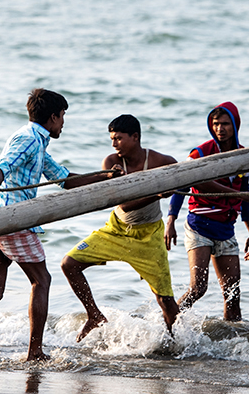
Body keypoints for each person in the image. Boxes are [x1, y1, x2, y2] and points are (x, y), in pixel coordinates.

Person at [0, 88, 118, 363]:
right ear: (52, 117)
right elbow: (3, 165)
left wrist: (105, 177)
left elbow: (64, 180)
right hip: (12, 217)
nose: (63, 124)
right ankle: (35, 352)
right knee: (42, 280)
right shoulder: (28, 140)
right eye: (62, 117)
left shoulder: (38, 142)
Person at [61, 114, 179, 342]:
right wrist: (156, 194)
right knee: (69, 264)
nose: (114, 144)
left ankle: (178, 346)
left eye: (119, 139)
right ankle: (94, 315)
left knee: (165, 300)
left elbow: (189, 179)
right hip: (116, 229)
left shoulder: (160, 161)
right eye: (112, 139)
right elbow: (123, 202)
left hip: (149, 235)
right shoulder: (111, 163)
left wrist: (173, 216)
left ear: (135, 137)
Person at [165, 102, 249, 321]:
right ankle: (168, 324)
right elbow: (181, 186)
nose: (220, 129)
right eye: (215, 124)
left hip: (226, 228)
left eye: (225, 124)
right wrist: (171, 220)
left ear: (235, 125)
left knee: (233, 295)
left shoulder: (243, 156)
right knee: (198, 288)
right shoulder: (201, 153)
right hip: (199, 226)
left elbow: (244, 196)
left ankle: (234, 345)